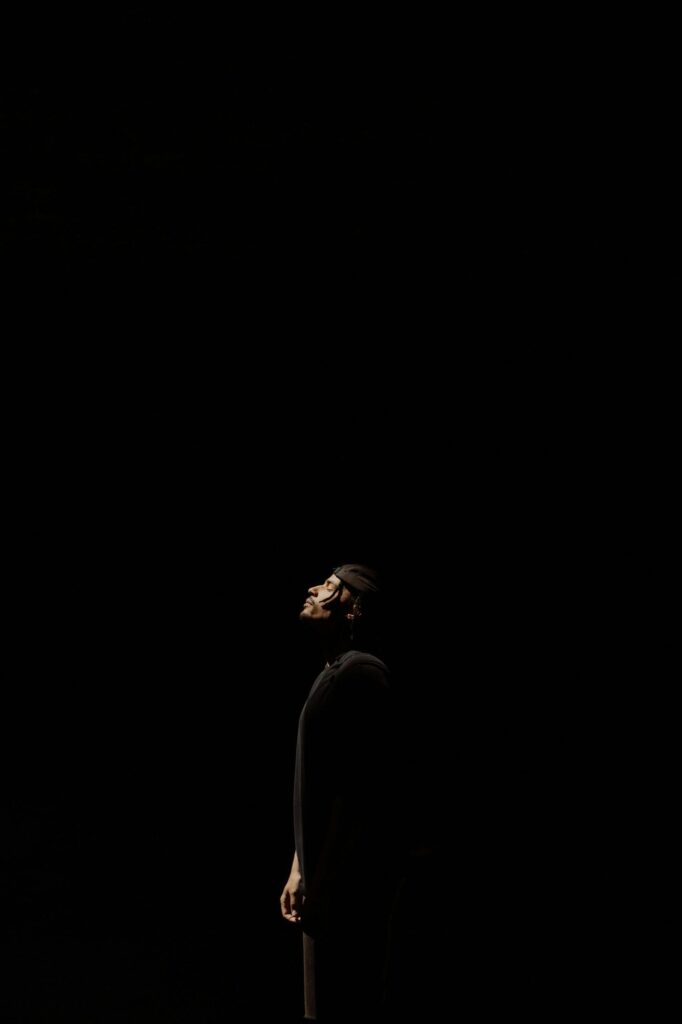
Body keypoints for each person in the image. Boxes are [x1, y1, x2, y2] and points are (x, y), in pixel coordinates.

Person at [280, 563, 400, 1023]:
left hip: (347, 890)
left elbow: (361, 792)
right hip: (324, 883)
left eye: (330, 587)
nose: (313, 588)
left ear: (354, 611)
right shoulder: (328, 676)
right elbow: (319, 784)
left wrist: (327, 878)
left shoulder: (364, 674)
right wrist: (299, 867)